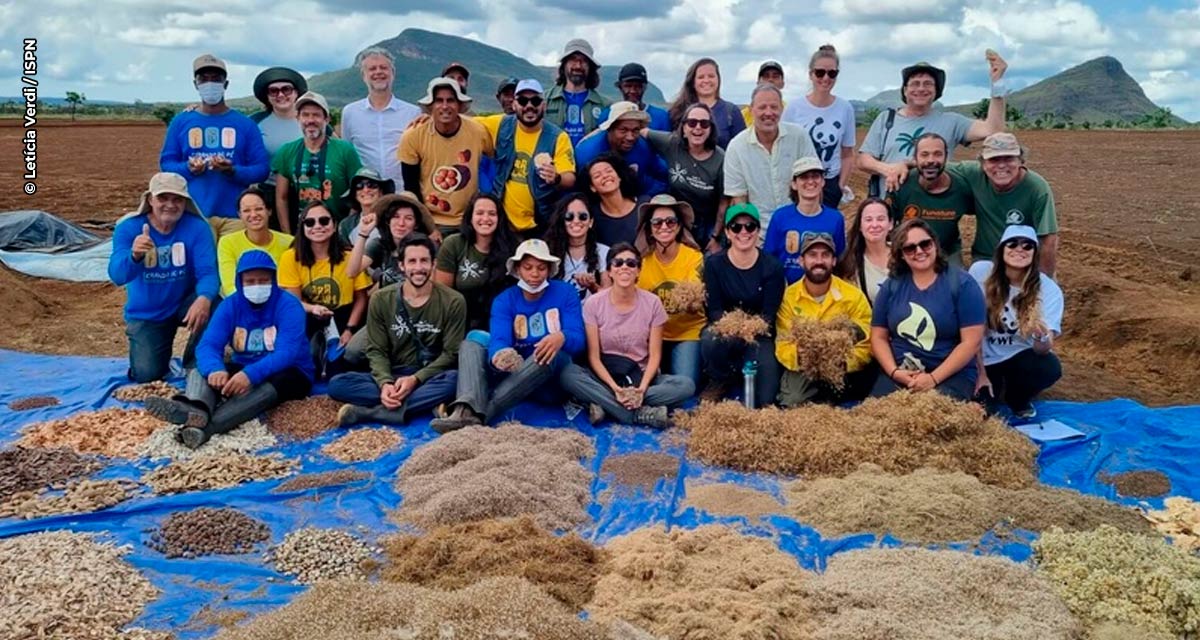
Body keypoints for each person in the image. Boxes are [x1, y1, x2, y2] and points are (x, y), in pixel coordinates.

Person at [145, 250, 312, 449]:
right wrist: (215, 369)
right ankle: (196, 408)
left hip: (291, 371)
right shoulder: (230, 305)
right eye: (250, 281)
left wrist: (250, 375)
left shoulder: (289, 305)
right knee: (200, 368)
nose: (257, 286)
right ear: (240, 282)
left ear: (273, 280)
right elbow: (208, 345)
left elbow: (287, 353)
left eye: (263, 280)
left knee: (280, 380)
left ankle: (207, 428)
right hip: (244, 365)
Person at [429, 239, 585, 433]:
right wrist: (500, 355)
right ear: (518, 270)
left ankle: (480, 416)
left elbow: (578, 340)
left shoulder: (565, 292)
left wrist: (562, 337)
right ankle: (465, 409)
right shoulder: (505, 300)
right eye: (528, 268)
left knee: (546, 354)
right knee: (472, 341)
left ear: (550, 270)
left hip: (550, 379)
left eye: (541, 268)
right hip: (516, 379)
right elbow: (500, 339)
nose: (535, 274)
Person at [329, 235, 465, 426]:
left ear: (434, 264)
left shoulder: (453, 301)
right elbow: (376, 350)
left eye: (424, 260)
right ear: (401, 265)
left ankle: (371, 413)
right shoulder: (381, 299)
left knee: (456, 380)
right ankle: (422, 403)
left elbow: (450, 354)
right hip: (393, 372)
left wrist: (415, 380)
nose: (418, 268)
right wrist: (385, 383)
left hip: (428, 375)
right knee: (337, 384)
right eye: (412, 261)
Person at [562, 243, 695, 428]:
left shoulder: (653, 303)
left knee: (686, 385)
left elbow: (655, 355)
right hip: (605, 376)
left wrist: (640, 391)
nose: (624, 267)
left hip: (640, 376)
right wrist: (616, 389)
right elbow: (594, 356)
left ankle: (603, 404)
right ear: (609, 271)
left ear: (639, 271)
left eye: (631, 263)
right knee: (568, 374)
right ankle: (639, 414)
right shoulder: (594, 303)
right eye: (618, 263)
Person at [108, 172, 218, 382]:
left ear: (185, 202)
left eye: (177, 199)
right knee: (147, 374)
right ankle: (152, 353)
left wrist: (203, 298)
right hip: (148, 312)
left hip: (185, 302)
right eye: (163, 198)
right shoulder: (129, 228)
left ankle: (196, 365)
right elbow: (117, 275)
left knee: (217, 304)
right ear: (150, 200)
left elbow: (208, 272)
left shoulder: (197, 227)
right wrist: (135, 256)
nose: (170, 205)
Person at [859, 51, 1009, 198]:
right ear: (905, 90)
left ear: (936, 91)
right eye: (915, 84)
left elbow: (993, 130)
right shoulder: (886, 119)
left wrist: (997, 84)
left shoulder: (952, 121)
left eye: (928, 84)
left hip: (934, 209)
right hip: (889, 207)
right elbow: (863, 160)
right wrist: (889, 169)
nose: (921, 88)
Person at [869, 218, 986, 400]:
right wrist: (894, 372)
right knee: (878, 417)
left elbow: (971, 342)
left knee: (934, 419)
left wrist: (932, 378)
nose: (919, 251)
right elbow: (878, 336)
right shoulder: (892, 285)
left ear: (935, 245)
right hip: (903, 370)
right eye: (910, 248)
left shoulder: (962, 284)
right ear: (901, 254)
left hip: (950, 373)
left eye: (925, 244)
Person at [160, 54, 270, 238]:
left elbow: (261, 169)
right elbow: (166, 163)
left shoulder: (245, 124)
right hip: (195, 213)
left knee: (233, 266)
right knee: (203, 266)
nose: (209, 84)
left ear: (225, 84)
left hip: (236, 216)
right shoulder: (181, 122)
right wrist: (189, 168)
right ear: (195, 84)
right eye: (203, 79)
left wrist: (232, 170)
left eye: (216, 79)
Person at [970, 226, 1063, 419]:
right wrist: (981, 373)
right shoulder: (981, 274)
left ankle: (1018, 398)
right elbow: (971, 328)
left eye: (1027, 246)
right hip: (984, 356)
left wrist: (1041, 335)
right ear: (1001, 249)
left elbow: (1043, 349)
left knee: (1049, 368)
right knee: (986, 413)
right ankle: (990, 388)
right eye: (1012, 244)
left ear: (1035, 254)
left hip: (1019, 356)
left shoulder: (1048, 289)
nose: (1019, 249)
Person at [774, 232, 875, 406]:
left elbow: (868, 339)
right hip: (805, 366)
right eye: (812, 255)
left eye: (825, 255)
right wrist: (803, 357)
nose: (819, 261)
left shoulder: (852, 295)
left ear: (834, 261)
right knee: (792, 400)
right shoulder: (789, 297)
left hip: (841, 366)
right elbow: (783, 342)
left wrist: (844, 362)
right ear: (801, 261)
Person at [700, 203, 785, 407]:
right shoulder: (714, 264)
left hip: (759, 335)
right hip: (725, 330)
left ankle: (748, 374)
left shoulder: (772, 267)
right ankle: (719, 377)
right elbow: (714, 309)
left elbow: (769, 315)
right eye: (736, 227)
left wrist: (749, 329)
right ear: (728, 233)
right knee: (710, 338)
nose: (743, 232)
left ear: (757, 231)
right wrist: (733, 327)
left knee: (766, 399)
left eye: (750, 226)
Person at [277, 202, 372, 378]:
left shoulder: (350, 256)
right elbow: (293, 301)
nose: (317, 226)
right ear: (302, 227)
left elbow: (361, 298)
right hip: (307, 313)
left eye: (324, 221)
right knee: (302, 363)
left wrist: (350, 330)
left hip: (344, 315)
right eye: (310, 223)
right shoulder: (290, 257)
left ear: (334, 225)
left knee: (338, 368)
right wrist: (313, 309)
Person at [949, 132, 1059, 275]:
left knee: (1044, 294)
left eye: (1009, 158)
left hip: (1025, 261)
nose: (1001, 165)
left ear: (1021, 160)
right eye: (993, 159)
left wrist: (1044, 279)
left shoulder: (1037, 188)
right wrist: (909, 164)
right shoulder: (973, 174)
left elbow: (1048, 239)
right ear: (982, 163)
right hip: (987, 258)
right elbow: (935, 165)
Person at [477, 79, 576, 236]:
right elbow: (463, 123)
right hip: (502, 225)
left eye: (535, 100)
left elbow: (569, 178)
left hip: (539, 225)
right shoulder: (500, 124)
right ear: (514, 105)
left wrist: (556, 177)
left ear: (544, 105)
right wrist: (428, 118)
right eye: (523, 101)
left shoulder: (558, 137)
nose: (529, 106)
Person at [399, 77, 495, 234]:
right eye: (438, 101)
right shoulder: (413, 136)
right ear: (430, 106)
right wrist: (427, 227)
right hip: (432, 220)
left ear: (459, 105)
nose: (444, 106)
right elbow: (411, 187)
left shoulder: (478, 132)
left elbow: (494, 160)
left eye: (450, 100)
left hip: (470, 219)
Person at [724, 84, 819, 235]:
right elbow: (739, 199)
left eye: (774, 107)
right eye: (762, 107)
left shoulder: (799, 137)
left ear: (782, 108)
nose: (768, 113)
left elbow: (813, 184)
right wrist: (748, 235)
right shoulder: (737, 147)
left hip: (800, 228)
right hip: (759, 233)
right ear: (751, 109)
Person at [636, 194, 705, 387]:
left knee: (686, 384)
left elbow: (694, 293)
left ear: (679, 226)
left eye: (670, 221)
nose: (664, 227)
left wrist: (690, 299)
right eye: (657, 222)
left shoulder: (694, 257)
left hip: (687, 331)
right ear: (649, 228)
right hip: (652, 335)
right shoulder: (642, 261)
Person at [272, 92, 363, 234]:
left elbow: (358, 192)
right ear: (298, 118)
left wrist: (347, 231)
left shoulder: (345, 150)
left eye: (316, 115)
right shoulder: (287, 151)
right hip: (304, 229)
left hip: (338, 229)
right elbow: (281, 197)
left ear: (326, 119)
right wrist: (288, 234)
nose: (310, 120)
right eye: (305, 115)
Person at [781, 46, 857, 209]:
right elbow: (784, 150)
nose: (826, 78)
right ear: (811, 74)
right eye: (820, 72)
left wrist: (840, 186)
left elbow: (847, 153)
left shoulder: (845, 109)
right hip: (801, 182)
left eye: (832, 73)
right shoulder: (794, 108)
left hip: (830, 183)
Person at [644, 102, 726, 251]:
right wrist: (599, 131)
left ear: (711, 129)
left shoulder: (720, 159)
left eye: (704, 123)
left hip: (707, 223)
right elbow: (642, 132)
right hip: (677, 219)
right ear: (684, 128)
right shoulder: (672, 144)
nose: (698, 127)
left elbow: (724, 202)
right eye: (692, 122)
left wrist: (715, 237)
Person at [339, 47, 421, 189]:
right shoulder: (350, 113)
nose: (378, 72)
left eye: (383, 67)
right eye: (372, 69)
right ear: (363, 75)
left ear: (392, 73)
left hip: (402, 193)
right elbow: (348, 154)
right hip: (366, 194)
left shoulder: (412, 113)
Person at [435, 194, 518, 331]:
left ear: (499, 218)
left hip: (500, 322)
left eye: (492, 214)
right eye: (479, 213)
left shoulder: (512, 248)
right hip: (460, 321)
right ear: (470, 218)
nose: (485, 219)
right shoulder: (454, 244)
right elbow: (443, 294)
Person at [888, 133, 975, 263]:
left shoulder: (962, 188)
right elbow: (885, 224)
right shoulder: (901, 184)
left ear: (946, 157)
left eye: (938, 154)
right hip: (910, 251)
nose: (930, 160)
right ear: (915, 158)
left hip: (947, 253)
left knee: (956, 281)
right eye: (924, 154)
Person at [764, 157, 847, 284]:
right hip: (786, 291)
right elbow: (769, 258)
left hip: (822, 289)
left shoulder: (835, 219)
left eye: (815, 176)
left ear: (823, 181)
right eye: (804, 177)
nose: (810, 181)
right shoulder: (780, 217)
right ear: (794, 184)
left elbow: (839, 259)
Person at [575, 102, 669, 197]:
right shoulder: (587, 153)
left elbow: (663, 175)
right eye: (623, 130)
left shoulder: (643, 146)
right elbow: (582, 191)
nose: (630, 137)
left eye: (635, 130)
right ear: (609, 129)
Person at [347, 192, 439, 289]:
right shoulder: (379, 244)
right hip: (387, 301)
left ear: (416, 224)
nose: (401, 223)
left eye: (408, 218)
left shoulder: (428, 247)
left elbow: (431, 286)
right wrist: (363, 233)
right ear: (388, 221)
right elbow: (351, 272)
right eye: (396, 217)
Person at [217, 187, 294, 297]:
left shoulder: (289, 242)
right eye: (246, 211)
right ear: (240, 215)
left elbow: (291, 284)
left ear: (269, 211)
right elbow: (229, 286)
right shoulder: (227, 242)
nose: (253, 215)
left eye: (258, 209)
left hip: (278, 302)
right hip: (237, 303)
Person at [667, 58, 745, 149]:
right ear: (692, 82)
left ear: (718, 79)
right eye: (701, 77)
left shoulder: (731, 112)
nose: (706, 80)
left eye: (711, 76)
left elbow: (742, 148)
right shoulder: (677, 112)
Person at [544, 38, 610, 146]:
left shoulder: (605, 105)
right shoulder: (544, 101)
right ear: (564, 64)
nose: (578, 66)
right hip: (554, 161)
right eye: (573, 59)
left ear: (590, 67)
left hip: (590, 162)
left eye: (584, 61)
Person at [545, 193, 611, 300]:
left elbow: (608, 297)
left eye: (583, 217)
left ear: (591, 222)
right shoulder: (548, 251)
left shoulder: (603, 251)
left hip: (591, 314)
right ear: (562, 221)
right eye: (569, 217)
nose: (576, 221)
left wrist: (592, 286)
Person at [834, 197, 894, 305]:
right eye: (868, 220)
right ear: (860, 226)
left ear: (890, 224)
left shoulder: (905, 254)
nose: (875, 225)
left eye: (880, 219)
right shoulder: (851, 263)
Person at [582, 154, 645, 247]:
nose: (605, 176)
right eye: (597, 176)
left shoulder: (645, 204)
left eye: (609, 171)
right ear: (592, 187)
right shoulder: (593, 218)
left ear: (619, 177)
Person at [249, 67, 306, 159]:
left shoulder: (313, 121)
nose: (280, 95)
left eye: (286, 89)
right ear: (267, 96)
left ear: (296, 93)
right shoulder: (254, 122)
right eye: (273, 91)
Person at [597, 63, 672, 132]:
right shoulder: (608, 114)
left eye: (638, 86)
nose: (633, 91)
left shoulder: (661, 116)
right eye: (628, 86)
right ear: (620, 87)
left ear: (645, 88)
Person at [337, 167, 395, 245]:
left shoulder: (393, 220)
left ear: (381, 191)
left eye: (372, 185)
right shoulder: (346, 225)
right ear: (354, 194)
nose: (366, 190)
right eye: (359, 186)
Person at [741, 60, 786, 128]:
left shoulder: (788, 111)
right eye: (766, 76)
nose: (770, 80)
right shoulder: (744, 114)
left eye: (775, 76)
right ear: (758, 82)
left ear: (782, 83)